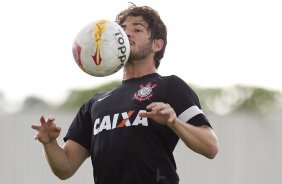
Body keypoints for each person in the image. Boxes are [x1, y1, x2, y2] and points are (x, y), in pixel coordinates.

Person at [31, 4, 219, 184]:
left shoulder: (169, 86)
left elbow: (210, 147)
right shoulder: (95, 103)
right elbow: (65, 168)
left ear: (157, 45)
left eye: (137, 29)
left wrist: (174, 122)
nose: (126, 33)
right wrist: (49, 143)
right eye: (122, 29)